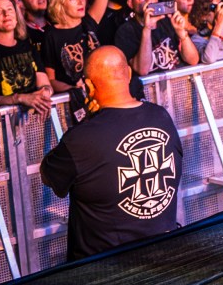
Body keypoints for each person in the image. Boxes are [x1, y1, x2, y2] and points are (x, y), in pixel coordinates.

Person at [39, 46, 183, 260]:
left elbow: (48, 175)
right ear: (129, 74)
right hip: (163, 257)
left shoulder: (81, 139)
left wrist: (89, 120)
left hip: (100, 271)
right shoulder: (161, 116)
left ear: (88, 86)